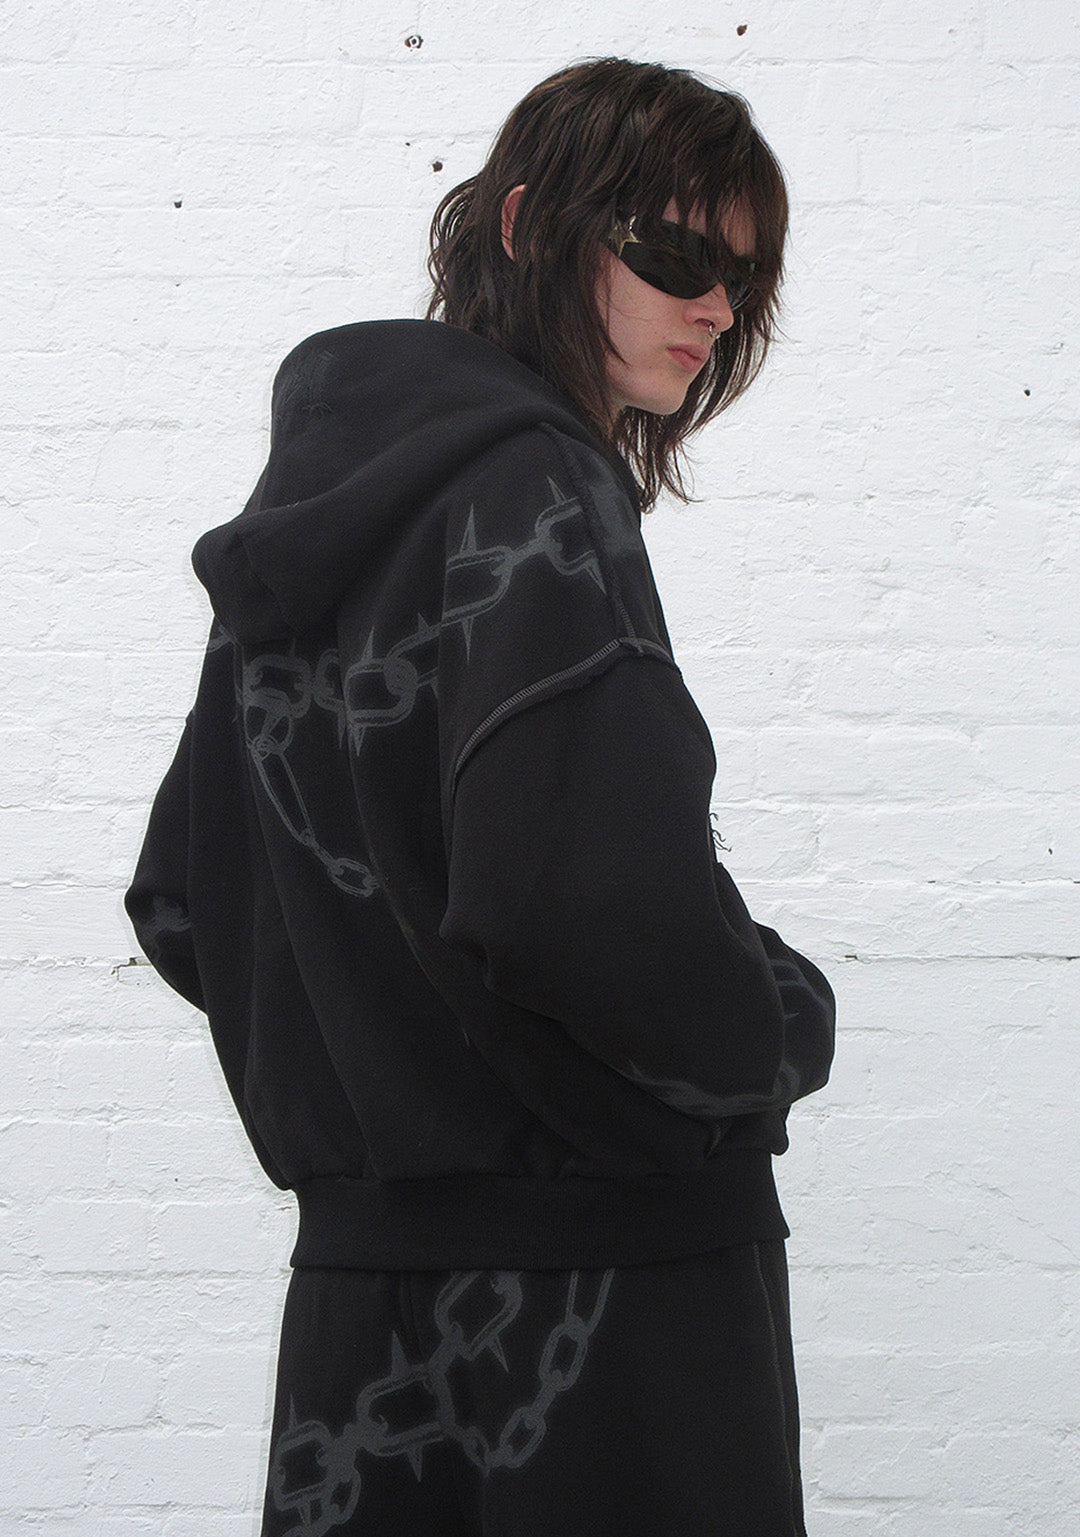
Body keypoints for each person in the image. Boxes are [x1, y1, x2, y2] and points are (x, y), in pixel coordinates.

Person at [125, 55, 835, 1537]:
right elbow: (585, 904)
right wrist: (778, 1017)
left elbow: (190, 898)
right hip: (605, 1318)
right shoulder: (540, 492)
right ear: (527, 227)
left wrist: (393, 1057)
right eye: (675, 253)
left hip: (367, 1324)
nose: (716, 306)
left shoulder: (302, 530)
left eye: (742, 276)